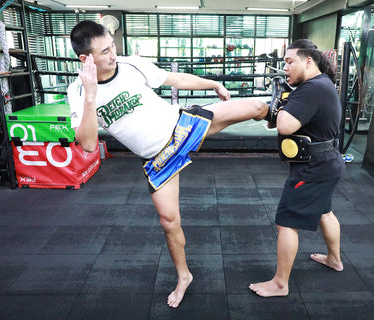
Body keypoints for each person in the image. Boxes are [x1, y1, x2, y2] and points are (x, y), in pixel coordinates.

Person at [67, 20, 268, 308]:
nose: (113, 55)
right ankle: (184, 276)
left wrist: (213, 83)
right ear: (85, 59)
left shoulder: (131, 64)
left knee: (256, 107)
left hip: (182, 126)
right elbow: (87, 143)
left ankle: (287, 120)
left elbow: (177, 80)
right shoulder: (77, 92)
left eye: (112, 46)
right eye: (104, 51)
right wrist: (90, 95)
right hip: (159, 157)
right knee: (169, 222)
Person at [249, 39, 345, 297]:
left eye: (290, 61)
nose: (286, 67)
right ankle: (334, 259)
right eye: (284, 62)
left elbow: (284, 126)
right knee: (324, 211)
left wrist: (278, 107)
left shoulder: (310, 89)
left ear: (308, 61)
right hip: (328, 162)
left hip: (313, 168)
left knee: (285, 222)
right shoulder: (321, 83)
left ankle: (280, 284)